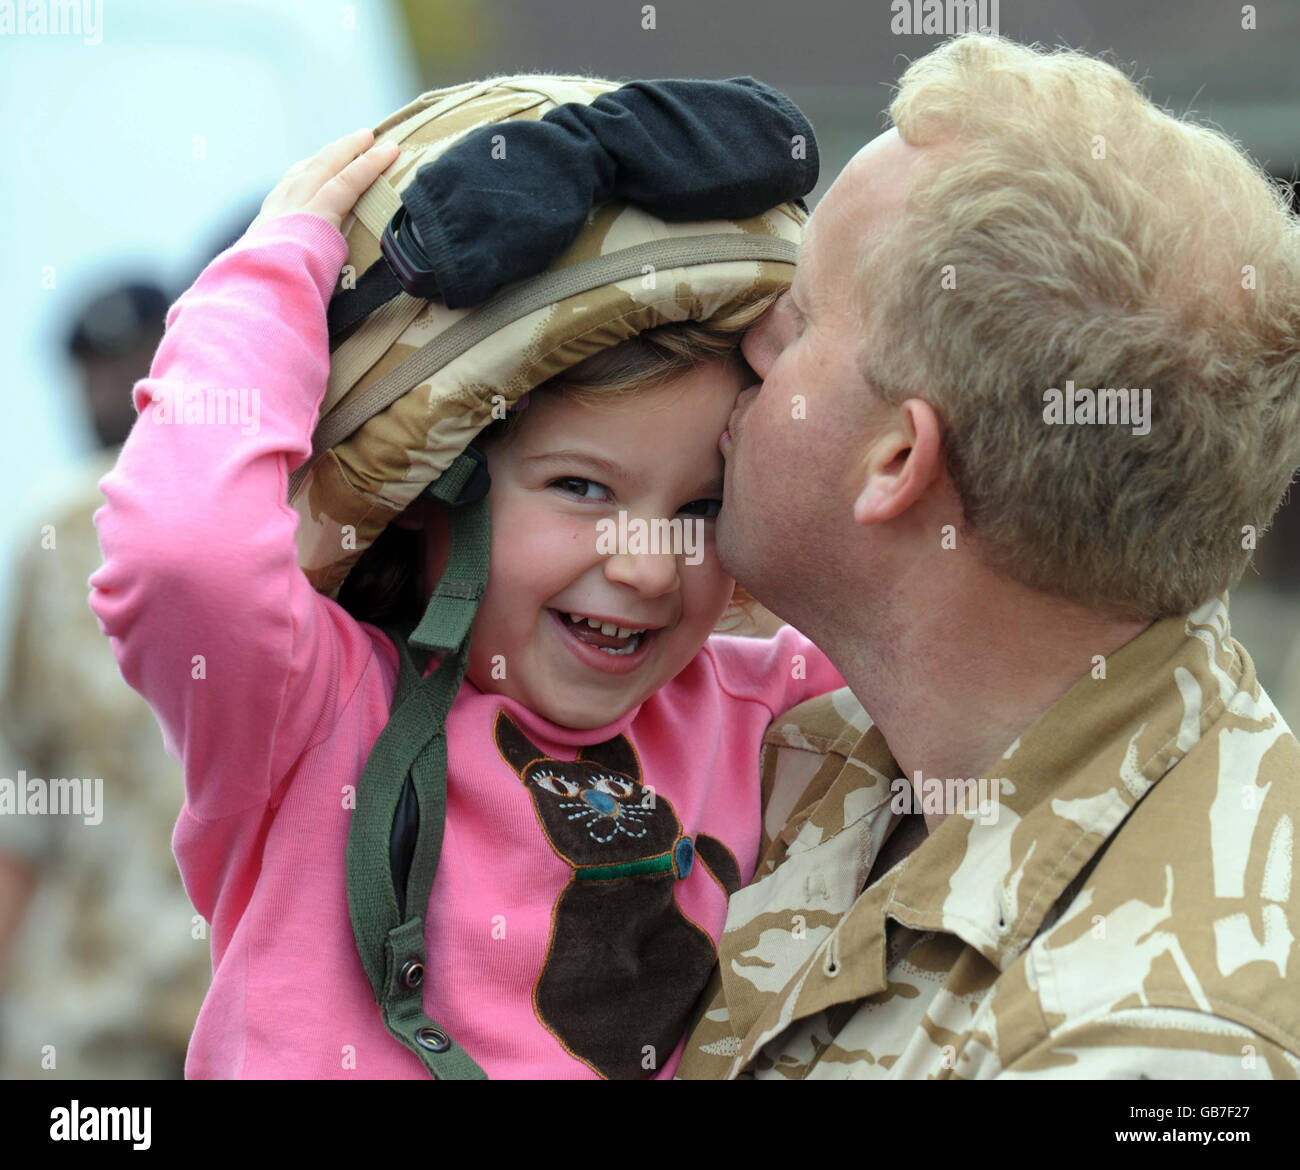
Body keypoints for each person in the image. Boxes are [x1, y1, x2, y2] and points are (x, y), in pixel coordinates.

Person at [87, 119, 841, 1079]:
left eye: (701, 507)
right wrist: (276, 268)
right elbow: (185, 556)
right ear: (432, 490)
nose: (650, 569)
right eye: (581, 488)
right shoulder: (312, 712)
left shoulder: (766, 712)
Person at [677, 32, 1300, 1078]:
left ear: (896, 460)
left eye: (801, 320)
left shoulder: (1160, 1047)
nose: (748, 346)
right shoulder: (811, 744)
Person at [0, 281, 211, 1079]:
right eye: (91, 373)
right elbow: (20, 799)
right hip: (92, 1023)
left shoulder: (302, 513)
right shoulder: (52, 532)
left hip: (225, 1013)